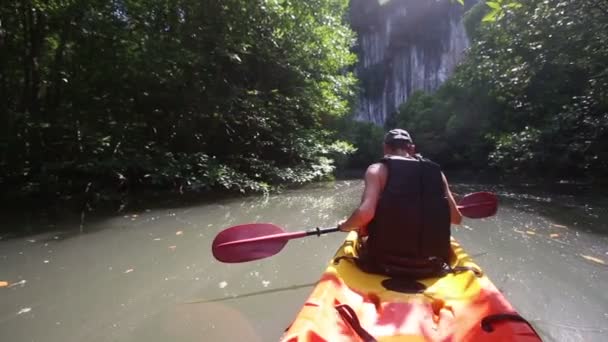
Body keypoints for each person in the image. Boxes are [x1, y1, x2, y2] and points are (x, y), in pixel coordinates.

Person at [338, 128, 462, 277]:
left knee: (364, 234)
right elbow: (456, 218)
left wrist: (345, 226)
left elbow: (365, 214)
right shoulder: (437, 173)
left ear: (385, 148)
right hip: (432, 265)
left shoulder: (377, 170)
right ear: (412, 148)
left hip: (383, 264)